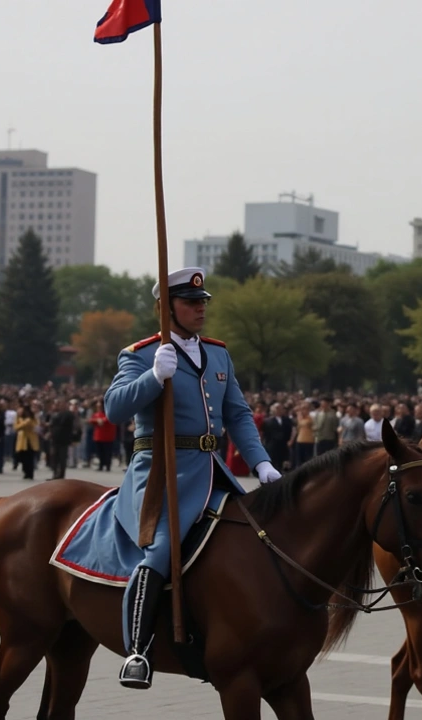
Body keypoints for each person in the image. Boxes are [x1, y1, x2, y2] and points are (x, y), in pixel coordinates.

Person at [104, 267, 279, 690]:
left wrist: (260, 463)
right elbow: (114, 409)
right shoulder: (142, 354)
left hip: (212, 470)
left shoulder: (217, 353)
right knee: (162, 549)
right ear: (166, 309)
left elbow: (237, 413)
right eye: (190, 302)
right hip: (161, 474)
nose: (200, 309)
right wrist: (153, 378)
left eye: (203, 302)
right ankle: (138, 650)